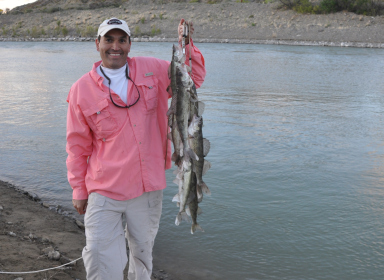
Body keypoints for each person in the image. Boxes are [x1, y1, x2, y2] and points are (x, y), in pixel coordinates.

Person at [66, 17, 206, 280]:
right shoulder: (80, 90)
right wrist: (78, 189)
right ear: (97, 44)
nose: (115, 46)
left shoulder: (153, 68)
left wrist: (186, 45)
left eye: (121, 39)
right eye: (108, 39)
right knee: (98, 256)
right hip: (104, 190)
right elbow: (77, 146)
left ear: (130, 44)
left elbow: (192, 79)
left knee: (142, 256)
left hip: (147, 188)